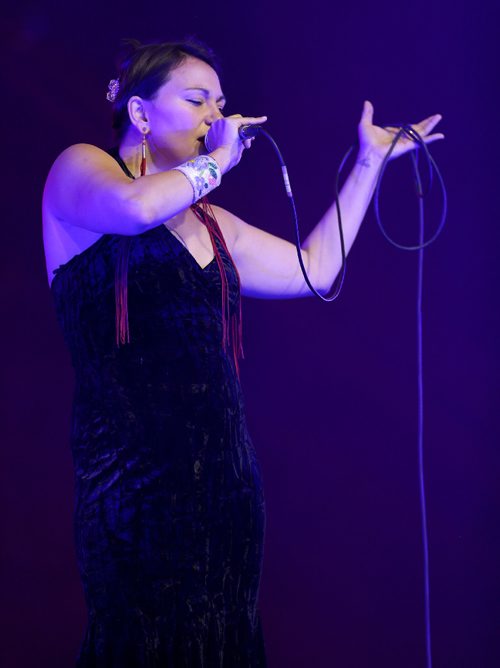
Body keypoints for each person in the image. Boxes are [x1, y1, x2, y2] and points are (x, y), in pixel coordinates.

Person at [42, 38, 443, 667]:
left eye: (221, 104)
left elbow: (316, 269)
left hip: (228, 497)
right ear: (142, 114)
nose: (216, 117)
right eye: (198, 100)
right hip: (133, 494)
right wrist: (219, 163)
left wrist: (369, 163)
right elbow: (137, 206)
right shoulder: (81, 171)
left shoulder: (212, 224)